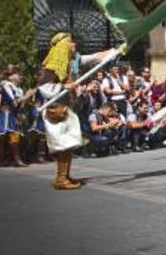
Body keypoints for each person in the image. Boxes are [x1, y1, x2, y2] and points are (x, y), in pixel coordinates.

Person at [37, 33, 111, 189]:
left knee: (69, 143)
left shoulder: (74, 60)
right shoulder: (51, 66)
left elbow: (95, 57)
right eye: (70, 42)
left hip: (67, 108)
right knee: (63, 144)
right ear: (63, 45)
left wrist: (115, 50)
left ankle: (65, 176)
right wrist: (62, 86)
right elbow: (44, 89)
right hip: (56, 110)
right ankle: (61, 179)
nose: (74, 44)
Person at [0, 66, 27, 167]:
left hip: (14, 114)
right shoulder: (6, 85)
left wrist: (20, 114)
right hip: (6, 113)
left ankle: (14, 158)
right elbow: (13, 102)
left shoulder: (20, 89)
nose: (20, 76)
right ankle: (0, 158)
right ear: (11, 77)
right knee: (2, 135)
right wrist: (27, 97)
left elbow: (19, 105)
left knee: (14, 135)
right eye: (18, 74)